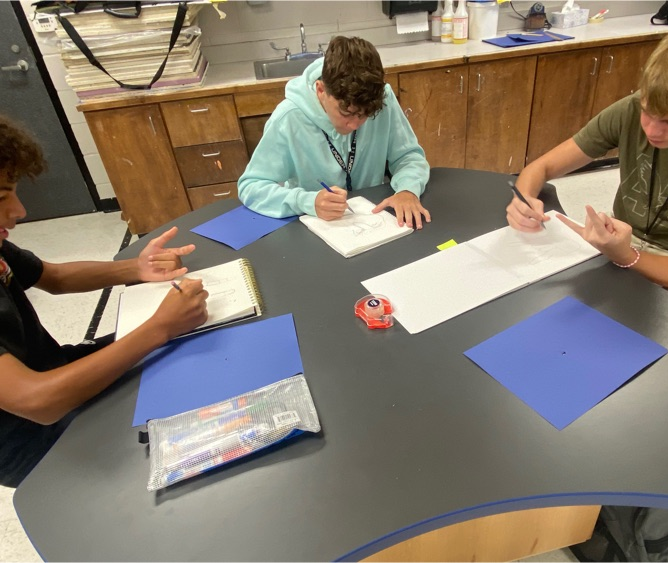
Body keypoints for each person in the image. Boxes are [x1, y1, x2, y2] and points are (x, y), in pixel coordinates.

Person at [0, 116, 209, 488]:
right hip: (30, 437)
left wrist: (137, 267)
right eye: (2, 197)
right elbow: (39, 402)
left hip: (54, 370)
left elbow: (55, 277)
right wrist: (159, 327)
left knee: (187, 352)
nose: (19, 212)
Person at [506, 25, 668, 312]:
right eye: (648, 111)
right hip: (623, 238)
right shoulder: (631, 109)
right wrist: (522, 200)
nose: (652, 130)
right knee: (538, 302)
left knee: (628, 339)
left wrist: (623, 255)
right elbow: (542, 167)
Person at [238, 36, 431, 229]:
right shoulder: (288, 118)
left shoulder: (383, 99)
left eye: (366, 115)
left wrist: (408, 190)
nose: (355, 124)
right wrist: (307, 201)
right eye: (346, 113)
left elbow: (409, 157)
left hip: (373, 219)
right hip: (315, 226)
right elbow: (251, 186)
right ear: (321, 90)